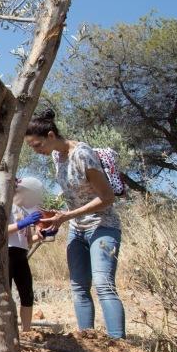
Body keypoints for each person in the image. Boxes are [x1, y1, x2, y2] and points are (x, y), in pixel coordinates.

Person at [25, 108, 125, 339]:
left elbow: (107, 198)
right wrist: (57, 215)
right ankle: (87, 340)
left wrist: (66, 216)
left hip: (102, 226)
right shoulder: (55, 157)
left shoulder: (82, 154)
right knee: (79, 287)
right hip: (76, 229)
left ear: (51, 136)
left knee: (103, 285)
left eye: (37, 145)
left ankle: (119, 345)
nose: (36, 151)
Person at [7, 177, 44, 332]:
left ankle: (27, 331)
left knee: (27, 294)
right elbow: (0, 232)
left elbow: (27, 241)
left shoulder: (24, 211)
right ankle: (8, 331)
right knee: (6, 296)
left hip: (21, 255)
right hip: (7, 254)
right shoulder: (6, 207)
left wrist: (43, 235)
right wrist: (23, 223)